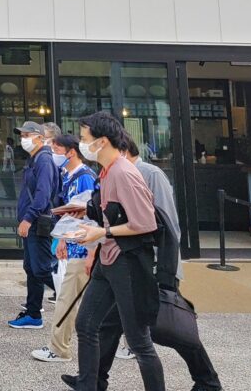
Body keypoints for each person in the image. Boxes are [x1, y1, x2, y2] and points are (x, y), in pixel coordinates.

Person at [65, 140, 222, 391]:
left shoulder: (149, 174)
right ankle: (94, 379)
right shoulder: (111, 174)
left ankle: (208, 380)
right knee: (109, 324)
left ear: (122, 150)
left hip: (152, 265)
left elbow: (167, 224)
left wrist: (161, 268)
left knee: (171, 326)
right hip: (123, 263)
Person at [68, 112, 165, 391]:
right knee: (86, 324)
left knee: (138, 341)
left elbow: (145, 223)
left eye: (84, 138)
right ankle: (88, 385)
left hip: (128, 263)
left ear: (101, 141)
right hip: (108, 259)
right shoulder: (107, 171)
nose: (81, 144)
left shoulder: (123, 173)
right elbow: (113, 212)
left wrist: (103, 233)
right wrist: (87, 212)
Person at [32, 131, 97, 363]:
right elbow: (70, 215)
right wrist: (61, 240)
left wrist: (88, 249)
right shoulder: (67, 176)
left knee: (67, 300)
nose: (54, 154)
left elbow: (90, 217)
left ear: (71, 152)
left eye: (57, 149)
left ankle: (59, 348)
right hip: (74, 246)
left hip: (83, 248)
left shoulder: (84, 178)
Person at [9, 121, 60, 329]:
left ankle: (72, 296)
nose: (24, 139)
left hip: (37, 222)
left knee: (41, 269)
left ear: (40, 137)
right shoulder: (35, 159)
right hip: (31, 222)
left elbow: (42, 194)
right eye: (22, 136)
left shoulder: (44, 160)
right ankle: (33, 313)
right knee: (31, 268)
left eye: (27, 135)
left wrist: (28, 218)